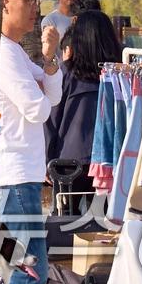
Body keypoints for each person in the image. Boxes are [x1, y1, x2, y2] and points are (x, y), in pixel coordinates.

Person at [0, 0, 63, 284]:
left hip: (14, 174)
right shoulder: (5, 53)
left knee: (9, 269)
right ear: (4, 4)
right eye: (28, 1)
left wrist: (49, 60)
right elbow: (40, 109)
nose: (36, 9)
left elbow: (52, 96)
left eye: (37, 2)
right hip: (17, 177)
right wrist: (45, 72)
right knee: (30, 272)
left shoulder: (10, 50)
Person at [47, 10, 122, 174]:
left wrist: (45, 158)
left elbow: (51, 117)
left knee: (67, 200)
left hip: (69, 159)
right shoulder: (121, 76)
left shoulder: (66, 73)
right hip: (111, 159)